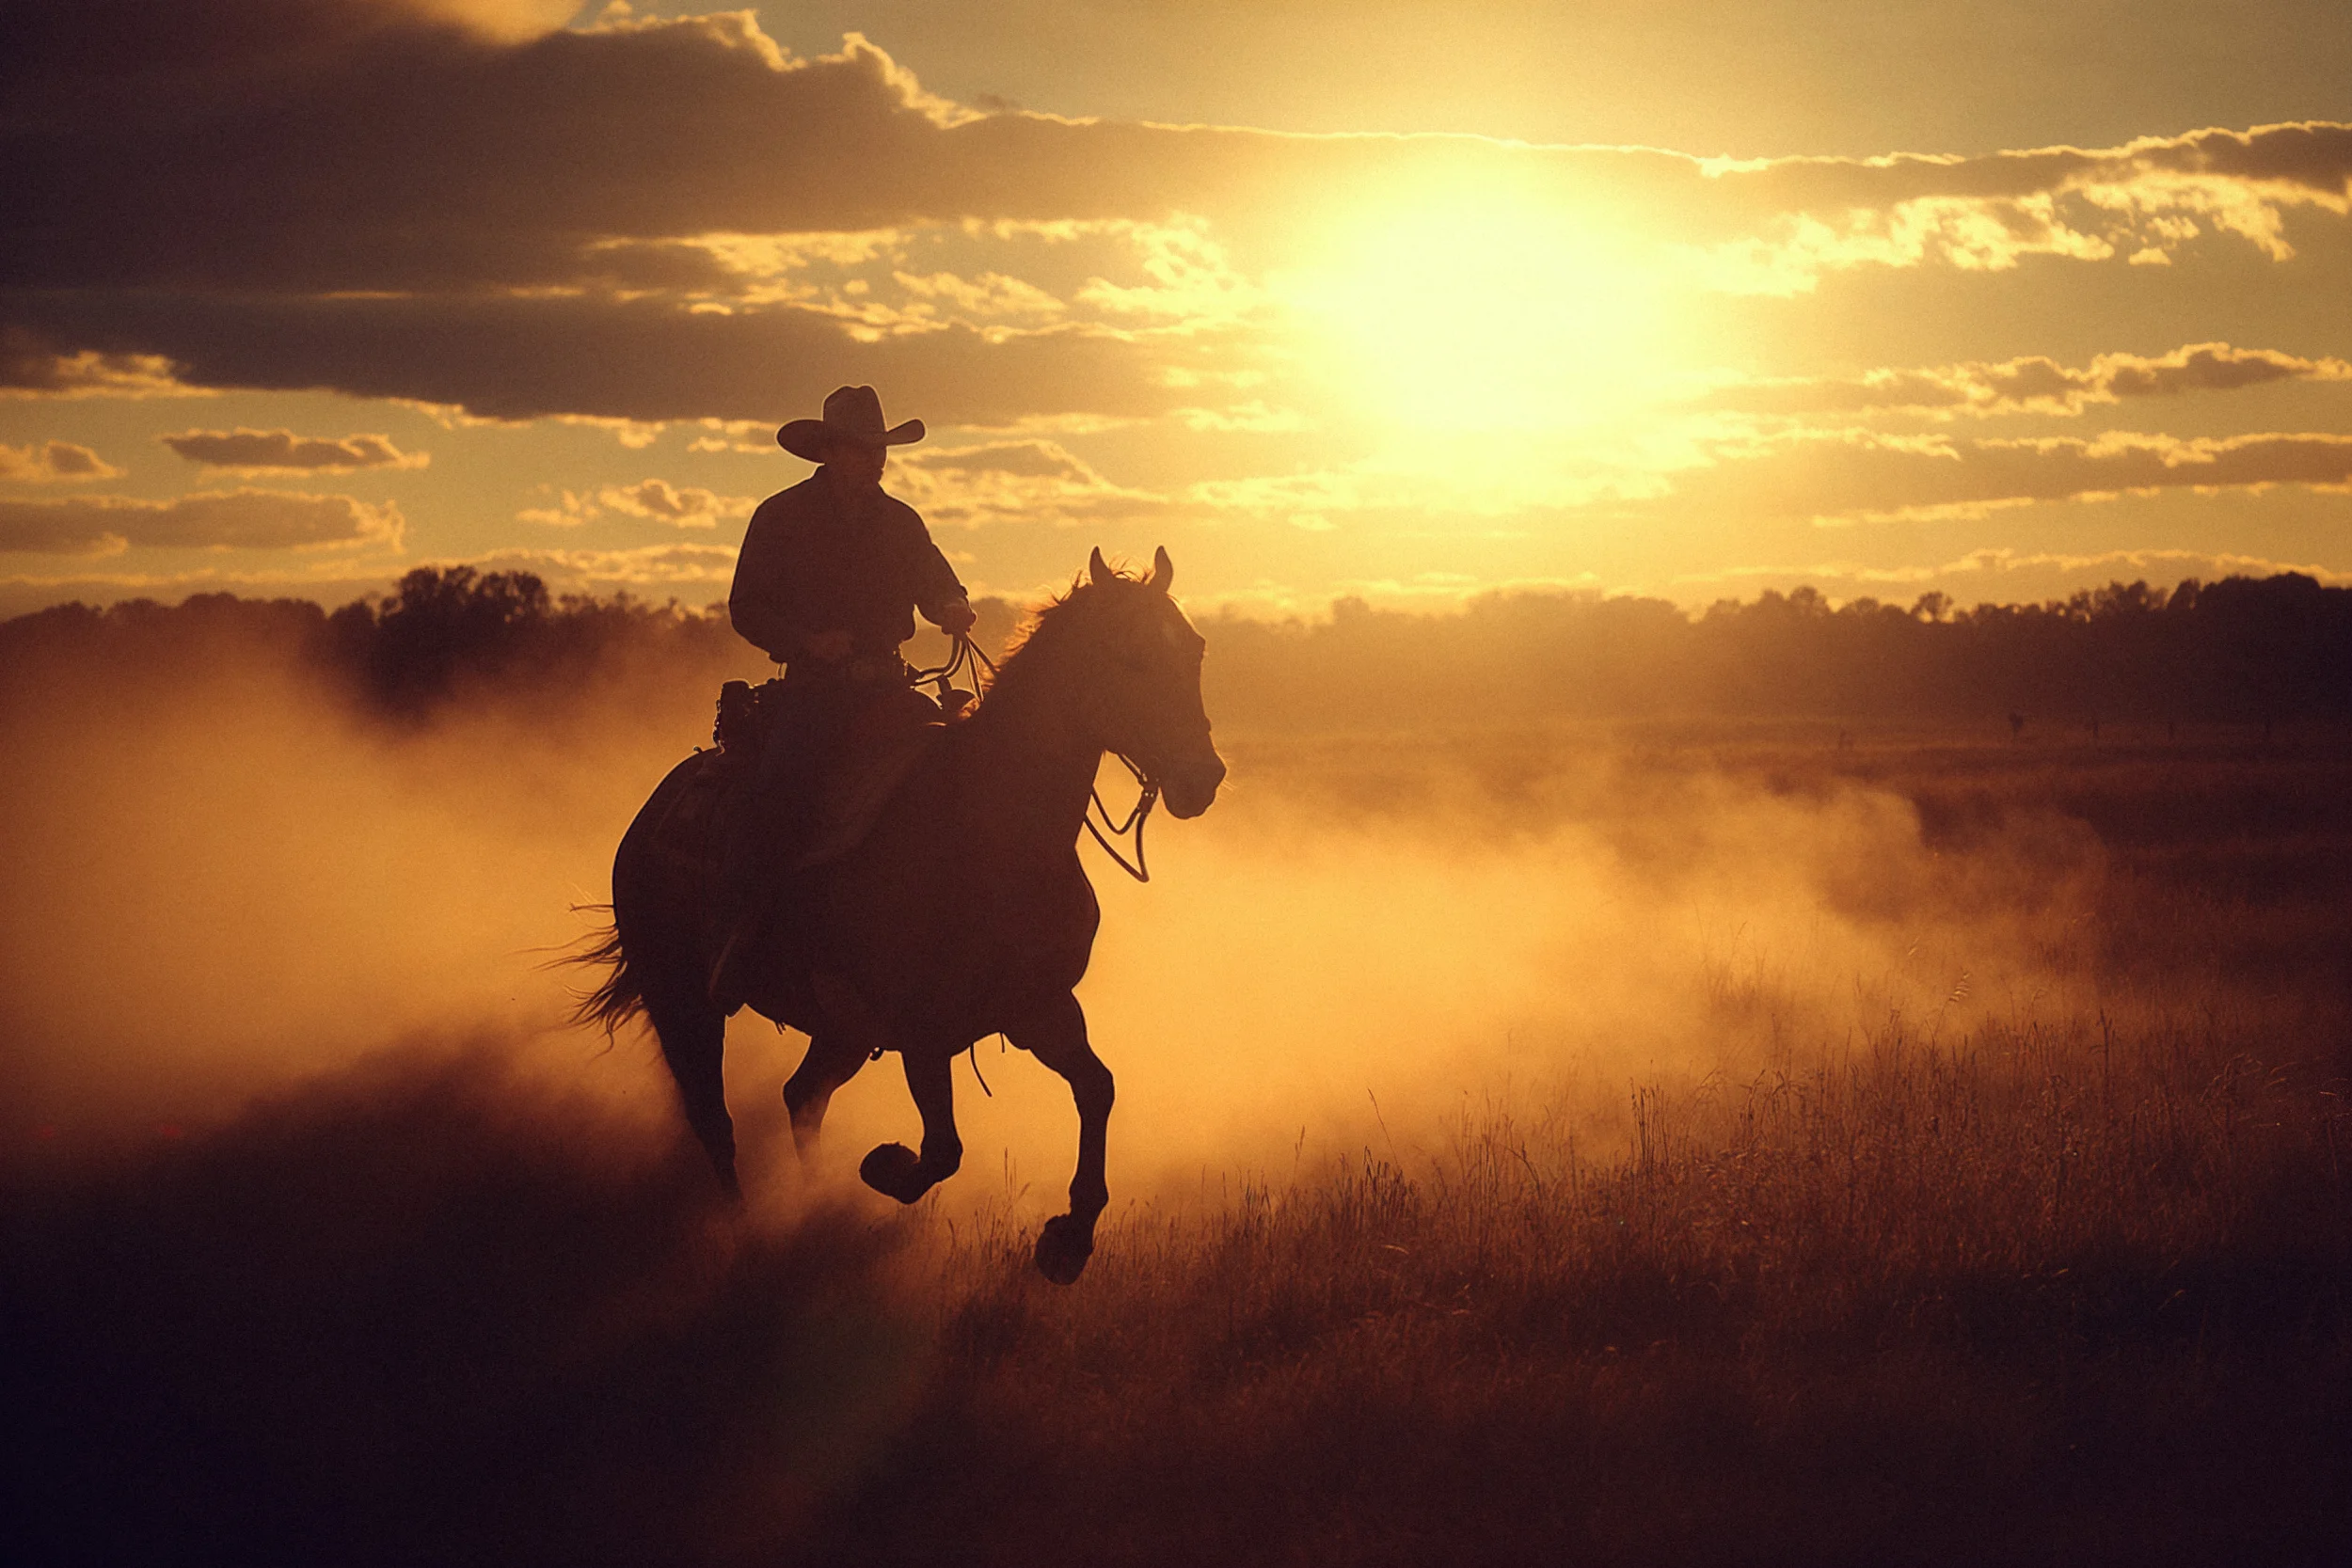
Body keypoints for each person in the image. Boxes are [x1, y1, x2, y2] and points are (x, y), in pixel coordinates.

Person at [709, 385, 975, 1003]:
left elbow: (937, 584)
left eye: (880, 449)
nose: (876, 460)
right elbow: (747, 607)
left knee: (951, 774)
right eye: (863, 449)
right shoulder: (781, 517)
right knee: (778, 792)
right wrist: (805, 641)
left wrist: (952, 606)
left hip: (889, 687)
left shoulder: (902, 522)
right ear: (829, 451)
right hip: (813, 694)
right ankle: (739, 933)